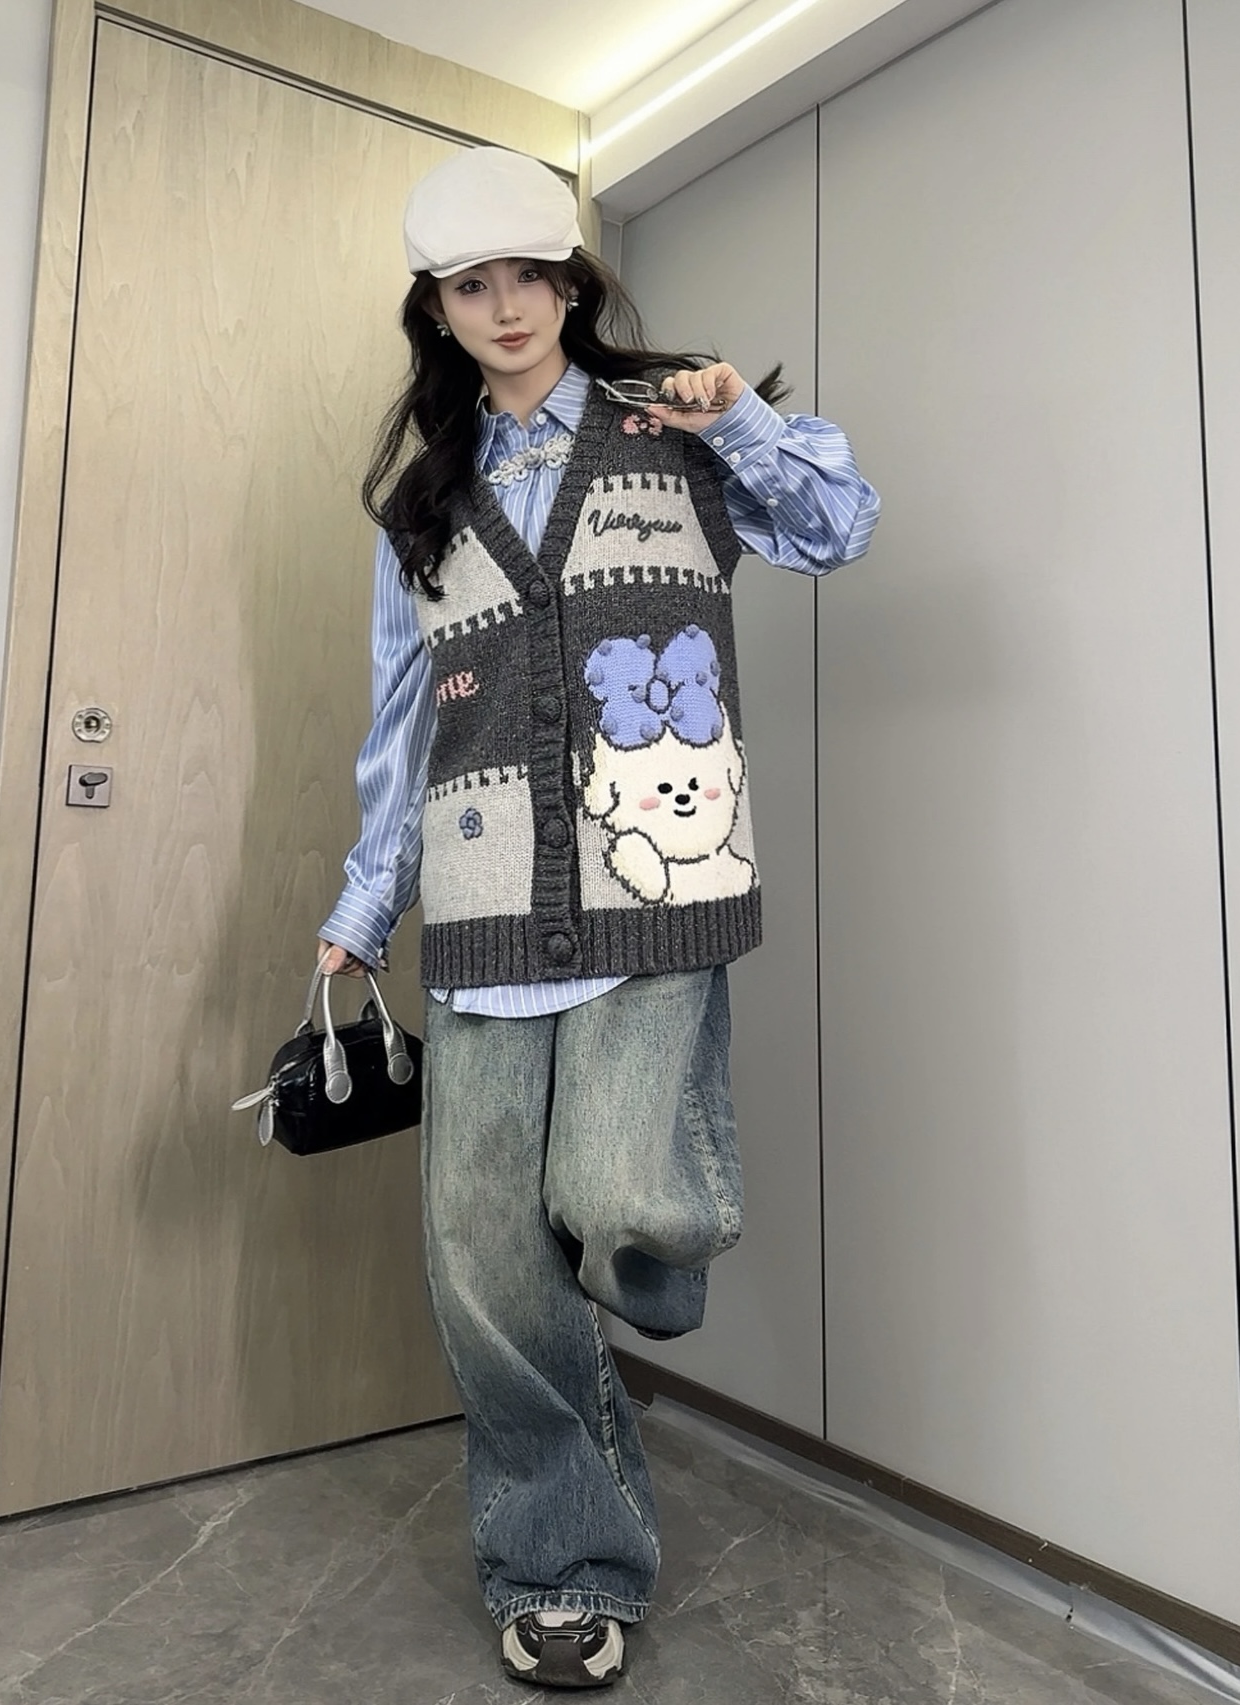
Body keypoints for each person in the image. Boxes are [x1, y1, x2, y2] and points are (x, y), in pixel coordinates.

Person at [317, 145, 880, 1691]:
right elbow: (401, 727)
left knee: (626, 1193)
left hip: (654, 887)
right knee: (489, 1274)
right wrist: (363, 905)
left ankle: (650, 1255)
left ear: (571, 284)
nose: (505, 308)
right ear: (437, 310)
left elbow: (840, 525)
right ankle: (563, 1561)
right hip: (482, 909)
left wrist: (742, 419)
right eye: (470, 287)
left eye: (529, 277)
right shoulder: (420, 508)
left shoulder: (674, 430)